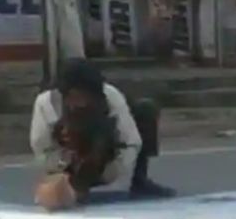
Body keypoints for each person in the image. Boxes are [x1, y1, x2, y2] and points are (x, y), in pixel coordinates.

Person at [30, 58, 175, 210]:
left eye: (85, 96)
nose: (80, 103)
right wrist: (66, 165)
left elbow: (131, 142)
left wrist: (117, 181)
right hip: (68, 165)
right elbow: (41, 150)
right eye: (74, 96)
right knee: (53, 195)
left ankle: (138, 181)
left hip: (106, 158)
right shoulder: (46, 104)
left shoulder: (111, 96)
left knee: (145, 110)